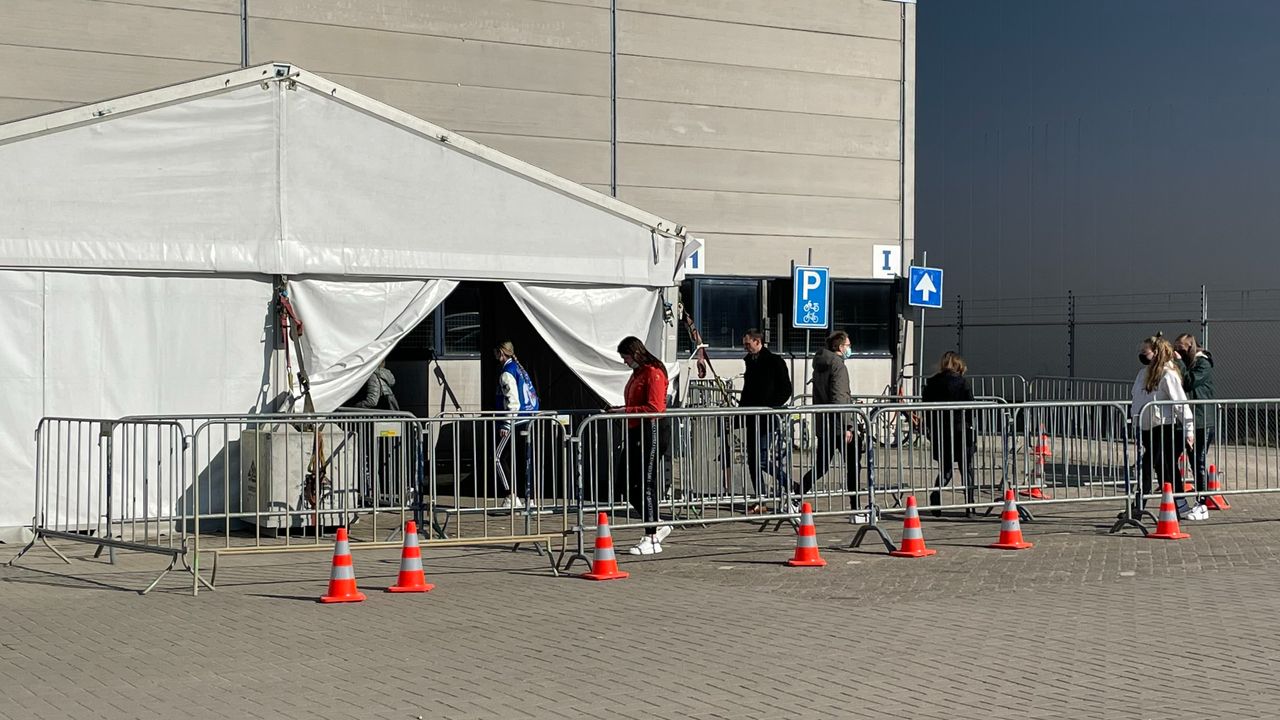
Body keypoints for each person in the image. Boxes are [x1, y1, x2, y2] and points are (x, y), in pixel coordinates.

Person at [610, 336, 673, 555]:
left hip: (651, 430)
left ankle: (651, 536)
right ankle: (654, 522)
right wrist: (620, 409)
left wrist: (624, 411)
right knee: (624, 483)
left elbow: (654, 407)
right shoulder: (638, 373)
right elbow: (635, 403)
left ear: (635, 354)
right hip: (635, 429)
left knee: (645, 483)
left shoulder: (653, 372)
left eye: (626, 357)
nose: (625, 362)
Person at [797, 330, 864, 521]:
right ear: (840, 347)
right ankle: (855, 509)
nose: (850, 348)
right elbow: (839, 397)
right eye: (848, 345)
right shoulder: (838, 366)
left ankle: (796, 495)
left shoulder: (819, 364)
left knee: (821, 466)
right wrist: (848, 426)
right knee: (853, 465)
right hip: (839, 425)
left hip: (824, 423)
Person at [1131, 334, 1197, 517]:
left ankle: (1173, 504)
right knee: (1160, 467)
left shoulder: (1168, 374)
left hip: (1163, 428)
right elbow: (1136, 398)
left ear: (1156, 353)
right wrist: (1135, 422)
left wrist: (1189, 430)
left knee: (1160, 466)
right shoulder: (1143, 374)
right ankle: (1170, 505)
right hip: (1146, 428)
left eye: (1145, 352)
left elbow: (1180, 403)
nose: (1142, 355)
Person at [737, 329, 793, 513]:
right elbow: (748, 391)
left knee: (760, 459)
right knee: (753, 460)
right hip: (752, 416)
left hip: (767, 417)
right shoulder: (750, 362)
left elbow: (786, 389)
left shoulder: (774, 361)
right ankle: (760, 498)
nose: (745, 347)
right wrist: (740, 414)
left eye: (748, 344)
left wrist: (770, 407)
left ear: (757, 341)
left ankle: (790, 484)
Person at [921, 351, 976, 517]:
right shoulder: (962, 383)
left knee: (946, 470)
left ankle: (936, 495)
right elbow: (971, 406)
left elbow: (926, 408)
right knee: (966, 469)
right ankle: (970, 506)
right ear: (959, 366)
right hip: (961, 430)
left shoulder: (932, 383)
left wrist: (930, 428)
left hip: (940, 430)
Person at [493, 341, 540, 510]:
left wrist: (506, 424)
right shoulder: (521, 369)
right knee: (524, 459)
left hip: (515, 420)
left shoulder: (508, 372)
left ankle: (510, 495)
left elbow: (513, 401)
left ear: (501, 353)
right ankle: (530, 497)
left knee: (498, 458)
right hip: (527, 419)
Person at [1175, 333, 1214, 519]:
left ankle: (1202, 504)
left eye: (1181, 349)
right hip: (1184, 419)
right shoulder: (1187, 364)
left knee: (1198, 462)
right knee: (1169, 458)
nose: (1178, 353)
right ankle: (1178, 499)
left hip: (1201, 420)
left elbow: (1189, 382)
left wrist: (1180, 363)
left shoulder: (1203, 363)